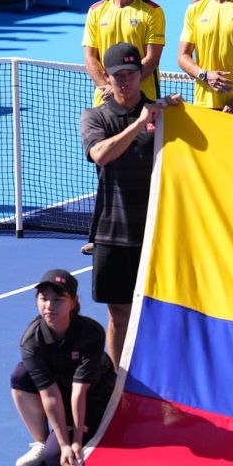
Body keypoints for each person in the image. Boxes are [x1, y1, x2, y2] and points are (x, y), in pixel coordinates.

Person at [80, 42, 181, 364]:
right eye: (117, 76)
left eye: (131, 74)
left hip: (156, 235)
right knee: (119, 315)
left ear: (142, 74)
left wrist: (179, 112)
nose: (124, 81)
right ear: (107, 80)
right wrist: (140, 123)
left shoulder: (166, 116)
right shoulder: (94, 118)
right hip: (113, 233)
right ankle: (118, 382)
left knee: (160, 315)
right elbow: (101, 155)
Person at [10, 268, 116, 466]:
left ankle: (86, 429)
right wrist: (64, 443)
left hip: (95, 395)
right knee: (21, 374)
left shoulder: (91, 333)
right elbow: (49, 394)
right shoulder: (31, 341)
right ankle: (41, 442)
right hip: (60, 391)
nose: (49, 306)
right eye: (43, 299)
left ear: (73, 302)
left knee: (57, 458)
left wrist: (75, 440)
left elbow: (80, 391)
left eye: (58, 299)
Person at [82, 0, 165, 108]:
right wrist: (107, 87)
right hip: (106, 100)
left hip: (143, 103)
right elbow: (90, 57)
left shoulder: (153, 11)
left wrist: (120, 88)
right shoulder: (95, 11)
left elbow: (152, 59)